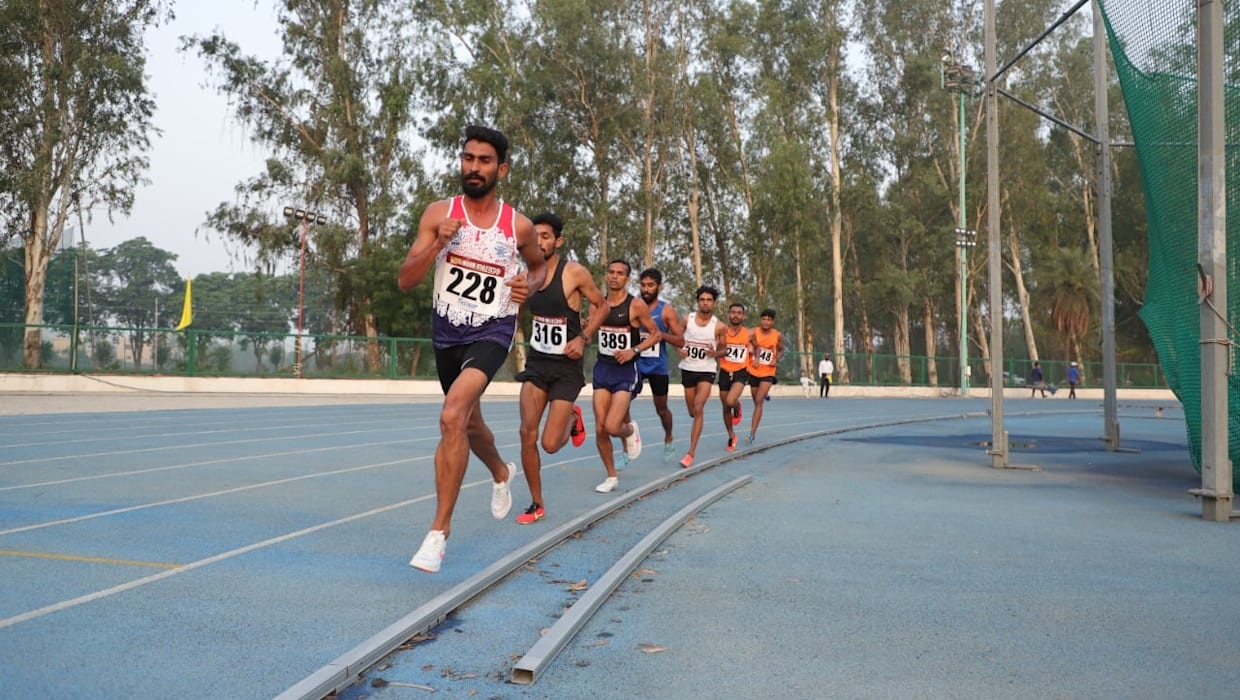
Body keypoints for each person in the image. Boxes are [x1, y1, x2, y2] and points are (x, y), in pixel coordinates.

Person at [397, 125, 547, 573]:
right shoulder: (438, 214)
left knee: (451, 415)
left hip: (493, 329)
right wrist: (438, 243)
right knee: (470, 424)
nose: (474, 167)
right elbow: (406, 280)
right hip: (447, 331)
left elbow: (539, 268)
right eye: (468, 158)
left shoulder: (517, 225)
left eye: (484, 161)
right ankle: (501, 471)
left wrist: (527, 284)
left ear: (501, 169)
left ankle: (438, 533)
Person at [513, 212, 609, 525]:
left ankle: (572, 418)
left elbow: (603, 306)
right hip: (537, 363)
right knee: (526, 432)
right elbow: (516, 313)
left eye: (545, 236)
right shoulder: (525, 275)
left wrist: (583, 337)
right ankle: (536, 503)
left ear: (558, 241)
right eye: (534, 236)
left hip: (567, 366)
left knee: (550, 444)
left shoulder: (574, 273)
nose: (539, 241)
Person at [591, 259, 662, 493]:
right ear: (606, 275)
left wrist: (634, 350)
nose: (614, 276)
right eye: (611, 272)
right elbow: (590, 333)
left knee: (613, 426)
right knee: (600, 428)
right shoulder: (597, 304)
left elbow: (655, 334)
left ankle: (630, 430)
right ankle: (611, 476)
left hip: (625, 371)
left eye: (620, 273)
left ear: (627, 279)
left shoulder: (636, 305)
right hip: (602, 368)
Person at [635, 268, 684, 463]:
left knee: (661, 409)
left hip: (657, 366)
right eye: (643, 285)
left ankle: (669, 436)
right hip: (636, 362)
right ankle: (629, 436)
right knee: (621, 401)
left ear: (659, 287)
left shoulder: (666, 310)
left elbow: (680, 340)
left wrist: (659, 335)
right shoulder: (633, 306)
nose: (646, 289)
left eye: (650, 285)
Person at [676, 285, 726, 468]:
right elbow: (676, 337)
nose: (705, 303)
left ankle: (690, 453)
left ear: (714, 303)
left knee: (698, 408)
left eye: (709, 300)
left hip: (707, 370)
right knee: (692, 411)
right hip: (687, 369)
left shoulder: (719, 326)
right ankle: (700, 399)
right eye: (702, 300)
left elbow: (725, 349)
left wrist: (715, 353)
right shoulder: (687, 320)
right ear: (697, 302)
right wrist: (679, 350)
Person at [718, 302, 756, 452]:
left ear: (743, 316)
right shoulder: (721, 332)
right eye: (733, 312)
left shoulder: (749, 333)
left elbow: (757, 347)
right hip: (724, 371)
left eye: (739, 313)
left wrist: (756, 359)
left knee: (730, 401)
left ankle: (737, 406)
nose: (735, 315)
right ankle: (731, 436)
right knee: (725, 407)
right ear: (728, 315)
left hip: (741, 371)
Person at [745, 308, 785, 443]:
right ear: (760, 320)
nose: (766, 322)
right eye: (764, 319)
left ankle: (752, 433)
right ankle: (765, 394)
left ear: (773, 322)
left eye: (769, 320)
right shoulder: (753, 332)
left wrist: (776, 359)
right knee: (755, 400)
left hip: (768, 371)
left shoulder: (777, 335)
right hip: (754, 370)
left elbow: (781, 349)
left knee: (758, 401)